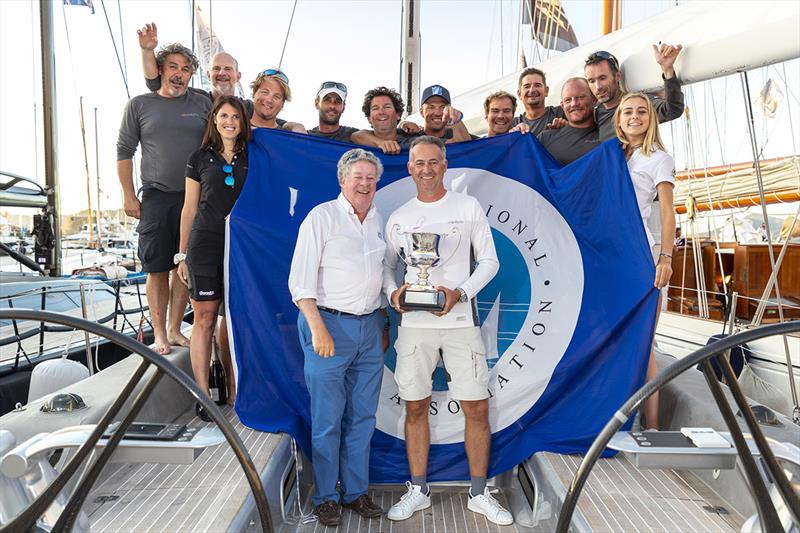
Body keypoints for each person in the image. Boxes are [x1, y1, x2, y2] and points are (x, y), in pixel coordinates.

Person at [383, 136, 511, 525]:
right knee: (415, 405)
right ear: (409, 168)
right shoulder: (399, 217)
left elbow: (489, 262)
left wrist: (461, 293)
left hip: (460, 323)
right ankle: (418, 490)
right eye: (419, 163)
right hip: (414, 328)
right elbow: (388, 268)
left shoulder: (467, 206)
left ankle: (478, 492)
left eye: (433, 162)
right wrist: (394, 294)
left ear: (445, 164)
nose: (426, 169)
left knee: (475, 406)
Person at [288, 149, 387, 526]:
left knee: (363, 417)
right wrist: (317, 328)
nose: (364, 184)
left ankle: (356, 492)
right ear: (343, 180)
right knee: (328, 418)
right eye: (357, 177)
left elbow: (382, 276)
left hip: (369, 328)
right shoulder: (322, 218)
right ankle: (327, 496)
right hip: (327, 326)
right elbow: (300, 282)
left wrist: (383, 325)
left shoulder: (379, 219)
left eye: (370, 178)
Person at [117, 43, 211, 355]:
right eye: (173, 66)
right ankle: (158, 334)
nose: (180, 74)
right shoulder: (139, 105)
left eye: (186, 69)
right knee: (157, 267)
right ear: (160, 69)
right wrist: (129, 195)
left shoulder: (202, 102)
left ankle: (174, 328)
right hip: (157, 196)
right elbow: (124, 151)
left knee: (184, 263)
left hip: (196, 195)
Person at [174, 96, 249, 421]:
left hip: (243, 246)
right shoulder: (199, 158)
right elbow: (189, 208)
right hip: (205, 242)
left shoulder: (254, 155)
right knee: (204, 319)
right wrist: (182, 254)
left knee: (235, 320)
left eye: (235, 116)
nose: (230, 121)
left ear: (243, 122)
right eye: (224, 116)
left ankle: (235, 387)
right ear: (214, 120)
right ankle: (203, 395)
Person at [614, 92, 676, 430]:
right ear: (619, 119)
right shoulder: (616, 156)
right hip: (614, 259)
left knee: (643, 341)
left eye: (641, 111)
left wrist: (665, 258)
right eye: (627, 112)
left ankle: (651, 427)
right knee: (619, 340)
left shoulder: (658, 159)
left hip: (643, 258)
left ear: (650, 118)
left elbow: (667, 213)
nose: (634, 117)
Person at [585, 44, 684, 141]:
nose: (598, 87)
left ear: (617, 76)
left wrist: (668, 70)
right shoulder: (595, 114)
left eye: (602, 78)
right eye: (591, 81)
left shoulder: (638, 102)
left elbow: (672, 110)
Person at [537, 78, 600, 165]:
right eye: (568, 100)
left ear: (594, 99)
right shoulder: (546, 138)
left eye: (580, 97)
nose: (574, 104)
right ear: (562, 105)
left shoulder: (606, 134)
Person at [355, 86, 421, 154]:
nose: (381, 112)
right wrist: (380, 143)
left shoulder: (415, 142)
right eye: (375, 108)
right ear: (369, 119)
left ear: (398, 114)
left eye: (387, 107)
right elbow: (355, 135)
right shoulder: (357, 145)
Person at [511, 67, 566, 136]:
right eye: (526, 86)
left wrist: (568, 127)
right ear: (519, 94)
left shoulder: (562, 112)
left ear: (546, 91)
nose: (532, 90)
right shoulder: (513, 125)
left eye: (537, 85)